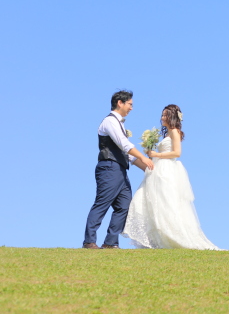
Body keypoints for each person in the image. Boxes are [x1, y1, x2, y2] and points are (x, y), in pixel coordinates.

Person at [122, 104, 221, 250]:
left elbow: (177, 153)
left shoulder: (175, 131)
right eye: (162, 115)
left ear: (173, 117)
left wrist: (156, 155)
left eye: (166, 115)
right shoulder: (167, 134)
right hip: (158, 169)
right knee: (149, 200)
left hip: (167, 169)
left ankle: (171, 235)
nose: (162, 118)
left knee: (166, 201)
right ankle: (155, 238)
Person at [83, 90, 155, 249]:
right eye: (130, 104)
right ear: (120, 103)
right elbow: (124, 145)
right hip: (109, 167)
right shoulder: (110, 122)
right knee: (102, 203)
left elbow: (127, 154)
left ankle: (110, 243)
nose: (131, 108)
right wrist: (144, 157)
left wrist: (147, 168)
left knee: (124, 205)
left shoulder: (120, 124)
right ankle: (89, 241)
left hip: (121, 169)